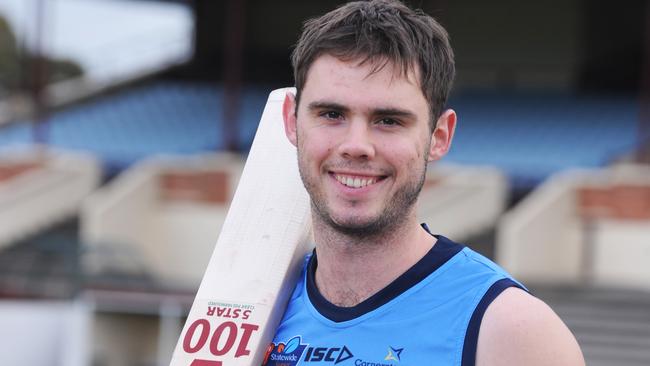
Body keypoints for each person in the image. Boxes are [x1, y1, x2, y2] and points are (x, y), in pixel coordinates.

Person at [263, 1, 585, 365]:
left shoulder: (511, 331)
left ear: (439, 136)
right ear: (291, 120)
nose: (356, 146)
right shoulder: (254, 304)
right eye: (332, 114)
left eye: (388, 120)